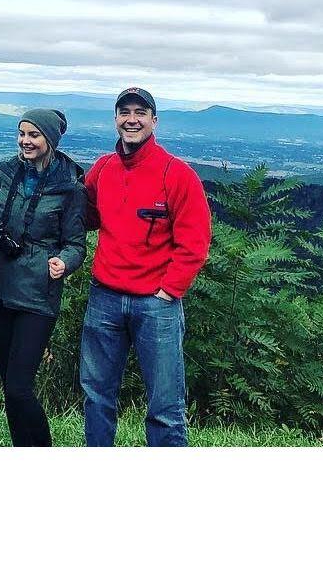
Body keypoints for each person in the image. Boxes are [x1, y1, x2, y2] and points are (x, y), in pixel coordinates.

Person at [79, 87, 212, 447]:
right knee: (96, 396)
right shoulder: (103, 169)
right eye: (124, 112)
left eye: (140, 112)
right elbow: (86, 216)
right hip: (104, 296)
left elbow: (195, 242)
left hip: (156, 304)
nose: (132, 119)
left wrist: (169, 290)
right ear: (116, 119)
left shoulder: (176, 174)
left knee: (165, 405)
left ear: (154, 120)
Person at [0, 108, 87, 446]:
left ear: (50, 140)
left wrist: (64, 262)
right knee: (10, 387)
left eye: (33, 135)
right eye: (22, 134)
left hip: (38, 295)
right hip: (1, 288)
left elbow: (76, 244)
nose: (25, 141)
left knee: (19, 387)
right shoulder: (6, 174)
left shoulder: (69, 187)